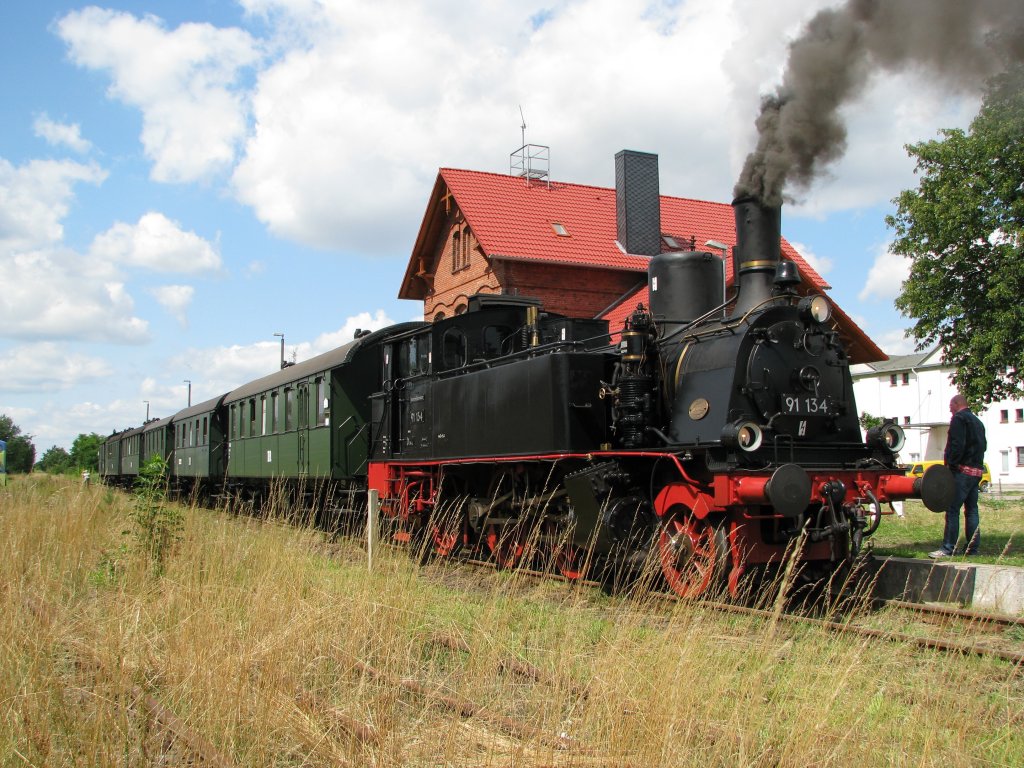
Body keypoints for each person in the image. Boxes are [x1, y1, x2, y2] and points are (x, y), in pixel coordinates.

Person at [930, 394, 986, 558]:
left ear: (956, 404)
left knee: (952, 509)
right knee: (972, 511)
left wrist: (952, 464)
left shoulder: (958, 419)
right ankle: (973, 549)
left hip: (961, 472)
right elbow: (984, 445)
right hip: (976, 472)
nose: (949, 409)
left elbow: (957, 444)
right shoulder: (977, 421)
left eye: (950, 405)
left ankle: (948, 548)